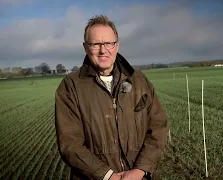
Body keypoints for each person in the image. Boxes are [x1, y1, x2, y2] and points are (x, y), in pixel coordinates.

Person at [55, 15, 169, 180]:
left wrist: (140, 170)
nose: (103, 50)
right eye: (95, 44)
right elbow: (70, 144)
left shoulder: (139, 80)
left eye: (109, 43)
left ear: (117, 45)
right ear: (85, 47)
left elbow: (158, 127)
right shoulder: (70, 86)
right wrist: (107, 176)